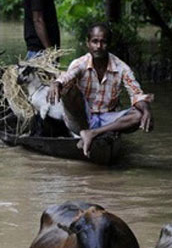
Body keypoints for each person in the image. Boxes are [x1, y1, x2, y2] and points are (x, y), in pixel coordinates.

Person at [47, 23, 154, 157]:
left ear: (109, 44)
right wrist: (56, 83)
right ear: (88, 43)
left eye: (103, 42)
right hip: (81, 120)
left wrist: (147, 110)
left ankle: (92, 133)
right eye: (95, 41)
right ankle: (86, 131)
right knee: (68, 90)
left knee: (139, 115)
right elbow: (67, 76)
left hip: (107, 119)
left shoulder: (121, 67)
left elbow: (136, 94)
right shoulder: (80, 63)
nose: (99, 46)